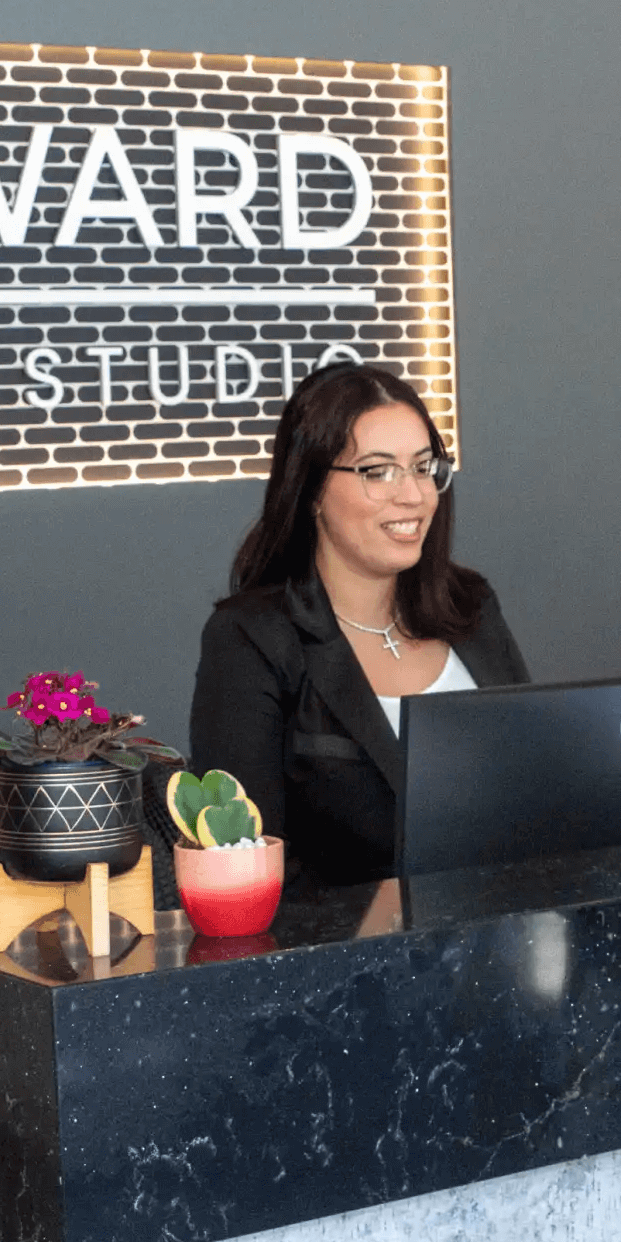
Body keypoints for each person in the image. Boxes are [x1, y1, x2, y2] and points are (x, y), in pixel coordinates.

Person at [190, 362, 528, 887]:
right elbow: (243, 874)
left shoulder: (471, 607)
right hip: (351, 961)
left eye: (423, 466)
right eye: (378, 471)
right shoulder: (252, 638)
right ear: (313, 491)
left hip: (506, 936)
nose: (414, 495)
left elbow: (538, 795)